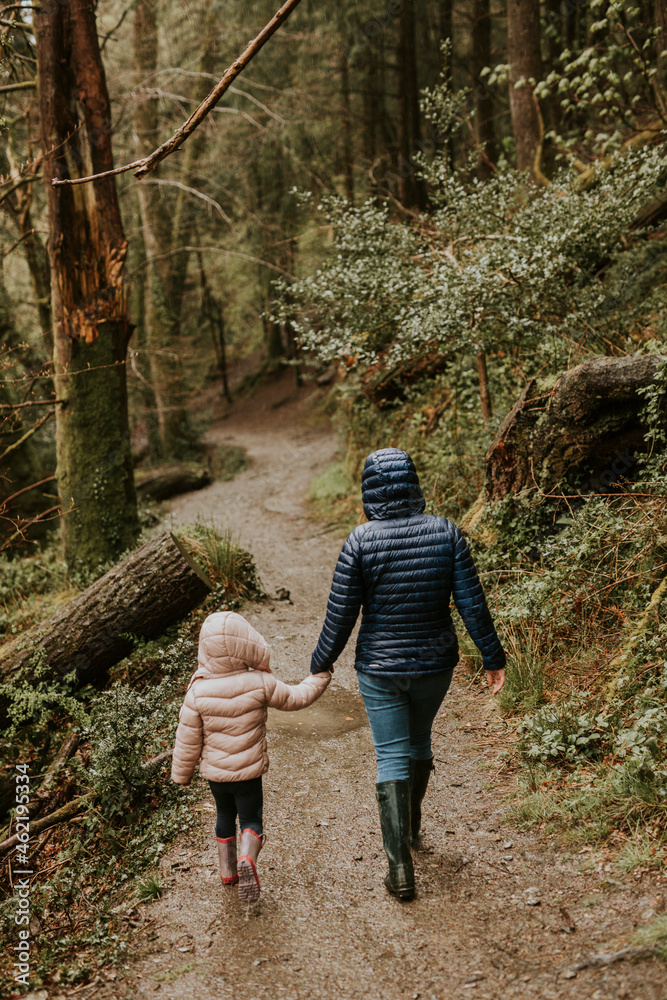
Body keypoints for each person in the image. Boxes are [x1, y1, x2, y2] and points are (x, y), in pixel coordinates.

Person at [310, 448, 505, 901]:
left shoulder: (359, 541)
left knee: (391, 756)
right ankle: (413, 828)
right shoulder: (446, 533)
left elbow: (341, 615)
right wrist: (492, 656)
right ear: (415, 485)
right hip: (435, 666)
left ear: (368, 492)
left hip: (379, 670)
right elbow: (472, 604)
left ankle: (400, 870)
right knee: (419, 743)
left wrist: (321, 661)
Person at [171, 611, 330, 903]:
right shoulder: (259, 682)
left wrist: (181, 775)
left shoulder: (197, 692)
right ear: (246, 643)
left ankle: (228, 871)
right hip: (248, 773)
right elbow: (297, 697)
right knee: (251, 820)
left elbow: (187, 738)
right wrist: (320, 677)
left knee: (223, 816)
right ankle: (248, 856)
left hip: (217, 777)